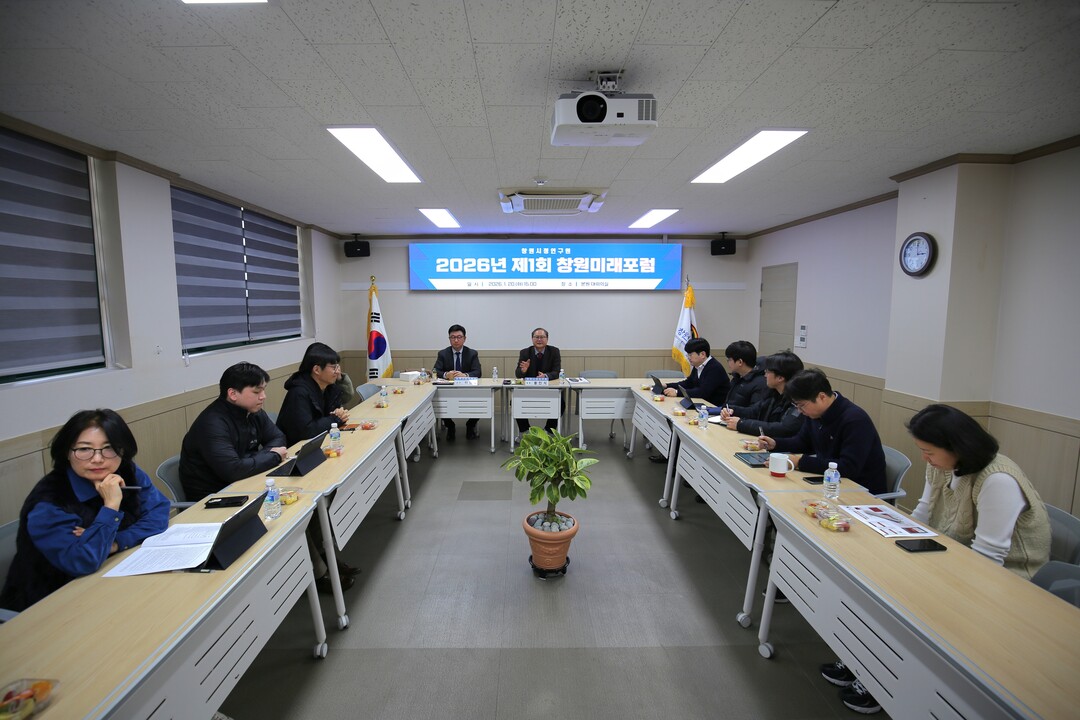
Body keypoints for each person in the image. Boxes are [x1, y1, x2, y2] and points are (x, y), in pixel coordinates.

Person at [821, 404, 1052, 715]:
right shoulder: (942, 465)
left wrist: (925, 575)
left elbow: (988, 560)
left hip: (1006, 580)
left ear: (957, 447)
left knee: (907, 601)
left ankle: (879, 676)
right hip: (951, 557)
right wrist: (894, 544)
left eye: (928, 451)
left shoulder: (998, 480)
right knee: (879, 582)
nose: (924, 458)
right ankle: (861, 658)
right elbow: (922, 513)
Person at [0, 409, 170, 612]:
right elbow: (83, 561)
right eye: (84, 449)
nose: (97, 459)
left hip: (112, 580)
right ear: (67, 452)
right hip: (49, 604)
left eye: (109, 448)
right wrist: (111, 506)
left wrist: (116, 542)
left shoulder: (126, 472)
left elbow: (159, 511)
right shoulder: (49, 502)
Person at [759, 368, 886, 495]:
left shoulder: (855, 420)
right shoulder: (815, 414)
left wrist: (799, 462)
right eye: (796, 405)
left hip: (859, 491)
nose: (799, 410)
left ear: (822, 397)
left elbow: (848, 467)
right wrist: (776, 444)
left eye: (801, 405)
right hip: (828, 483)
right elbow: (803, 442)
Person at [179, 362, 288, 501]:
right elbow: (233, 470)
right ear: (233, 394)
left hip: (245, 481)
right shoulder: (212, 423)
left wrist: (255, 460)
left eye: (263, 390)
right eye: (256, 392)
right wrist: (273, 456)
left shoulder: (252, 411)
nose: (263, 396)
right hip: (215, 497)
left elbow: (278, 438)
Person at [715, 351, 804, 438]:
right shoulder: (774, 394)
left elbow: (783, 429)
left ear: (780, 378)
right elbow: (754, 411)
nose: (765, 375)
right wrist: (731, 410)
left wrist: (741, 424)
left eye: (768, 371)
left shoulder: (797, 400)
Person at [277, 342, 351, 446]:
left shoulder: (329, 387)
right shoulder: (298, 392)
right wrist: (335, 419)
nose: (337, 372)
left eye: (337, 367)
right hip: (296, 449)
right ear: (316, 370)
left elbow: (334, 415)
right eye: (333, 367)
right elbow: (306, 430)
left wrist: (339, 415)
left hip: (320, 442)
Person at [432, 324, 482, 440]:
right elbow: (435, 371)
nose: (456, 340)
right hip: (448, 390)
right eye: (453, 337)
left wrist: (465, 375)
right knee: (440, 402)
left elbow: (478, 372)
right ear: (449, 339)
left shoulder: (472, 353)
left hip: (468, 389)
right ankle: (450, 426)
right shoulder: (443, 353)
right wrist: (446, 374)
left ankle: (470, 425)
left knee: (481, 401)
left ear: (464, 338)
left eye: (459, 337)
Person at [515, 327, 562, 433]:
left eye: (542, 337)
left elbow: (556, 372)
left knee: (561, 403)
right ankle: (526, 431)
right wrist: (523, 370)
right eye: (536, 337)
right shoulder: (525, 352)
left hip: (549, 390)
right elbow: (518, 374)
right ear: (532, 339)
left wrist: (546, 376)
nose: (539, 339)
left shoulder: (554, 351)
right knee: (514, 401)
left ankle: (548, 430)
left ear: (547, 339)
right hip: (529, 390)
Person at [662, 337, 729, 407]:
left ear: (702, 354)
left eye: (690, 355)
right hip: (702, 403)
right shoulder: (698, 364)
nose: (688, 357)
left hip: (715, 407)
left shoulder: (714, 368)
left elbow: (703, 392)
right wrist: (667, 385)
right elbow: (689, 383)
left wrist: (677, 392)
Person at [723, 340, 768, 407]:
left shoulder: (760, 384)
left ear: (740, 362)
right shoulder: (737, 377)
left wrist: (732, 410)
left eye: (729, 360)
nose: (728, 362)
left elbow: (754, 411)